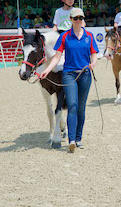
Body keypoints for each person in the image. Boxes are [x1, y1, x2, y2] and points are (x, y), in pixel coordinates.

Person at [40, 8, 99, 153]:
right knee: (72, 105)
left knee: (81, 107)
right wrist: (47, 70)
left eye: (80, 18)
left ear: (83, 19)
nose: (78, 20)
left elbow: (94, 54)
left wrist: (93, 62)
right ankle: (71, 140)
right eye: (75, 18)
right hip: (69, 75)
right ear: (71, 20)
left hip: (85, 75)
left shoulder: (89, 36)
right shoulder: (65, 36)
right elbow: (57, 56)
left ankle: (78, 138)